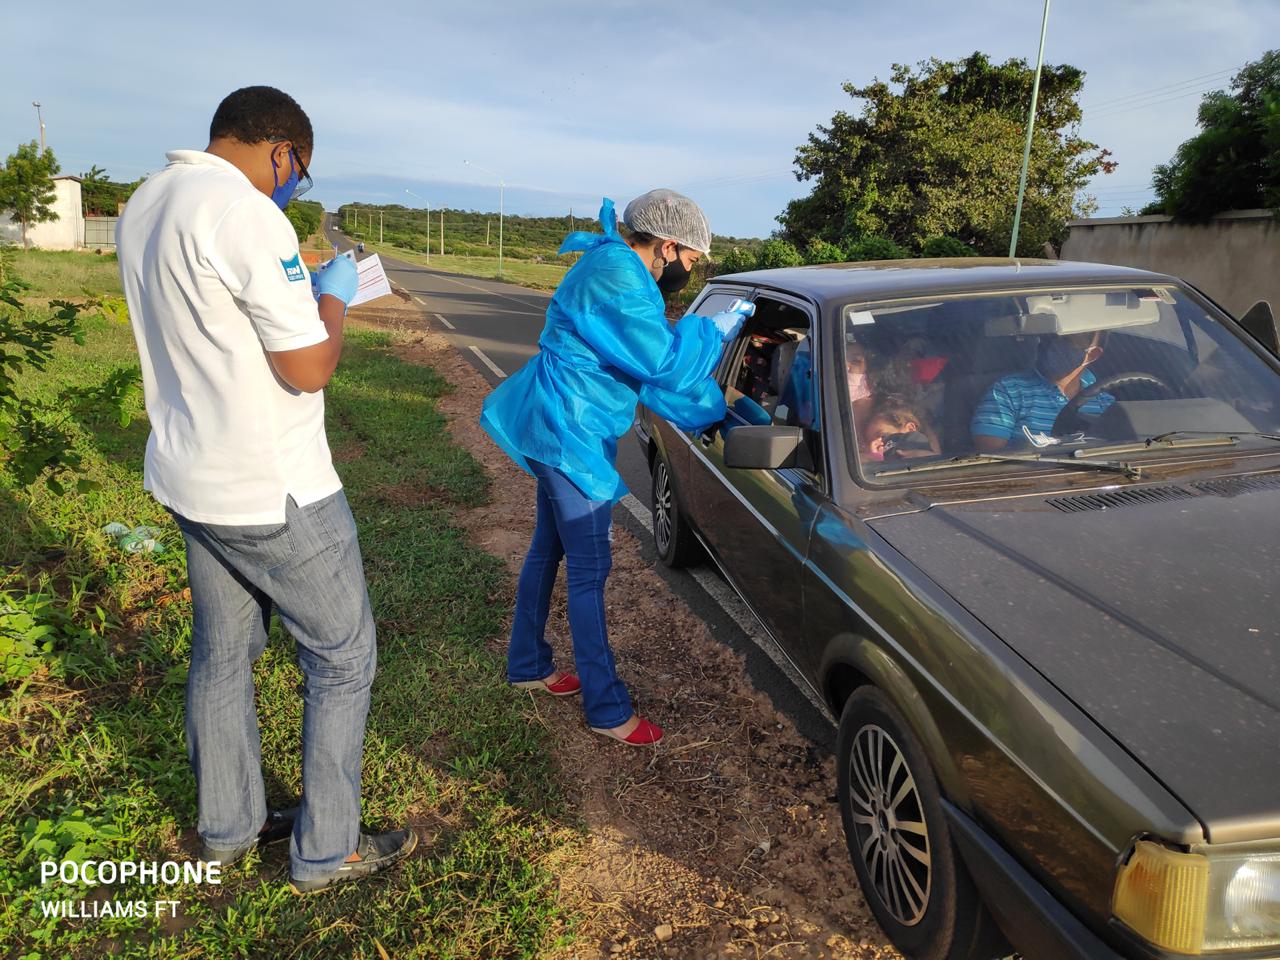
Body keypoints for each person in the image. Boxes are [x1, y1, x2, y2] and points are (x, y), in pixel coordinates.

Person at [115, 86, 415, 894]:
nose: (293, 189)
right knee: (343, 657)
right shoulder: (249, 215)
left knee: (221, 656)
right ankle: (326, 851)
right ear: (281, 151)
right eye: (299, 174)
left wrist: (298, 288)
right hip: (274, 490)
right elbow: (307, 365)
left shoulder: (145, 202)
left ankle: (228, 827)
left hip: (191, 477)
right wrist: (332, 298)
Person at [480, 190, 753, 747]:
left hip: (566, 418)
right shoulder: (621, 277)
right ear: (669, 246)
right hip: (570, 428)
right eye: (692, 262)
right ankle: (607, 710)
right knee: (589, 567)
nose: (688, 273)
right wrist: (714, 335)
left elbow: (641, 365)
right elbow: (662, 365)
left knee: (548, 547)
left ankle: (528, 664)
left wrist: (713, 406)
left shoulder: (614, 263)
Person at [970, 331, 1114, 451]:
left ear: (1092, 354)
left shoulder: (1104, 402)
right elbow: (990, 461)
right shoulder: (1008, 391)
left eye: (1066, 341)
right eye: (1049, 337)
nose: (1052, 346)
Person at [860, 405, 941, 461]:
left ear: (910, 428)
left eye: (883, 436)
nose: (874, 445)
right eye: (870, 444)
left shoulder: (916, 442)